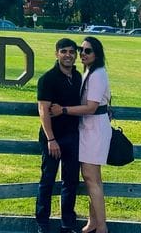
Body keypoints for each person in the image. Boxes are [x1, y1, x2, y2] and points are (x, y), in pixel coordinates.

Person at [50, 36, 111, 233]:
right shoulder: (88, 72)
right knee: (93, 178)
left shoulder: (98, 74)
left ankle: (101, 227)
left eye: (88, 51)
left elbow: (92, 107)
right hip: (88, 129)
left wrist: (63, 110)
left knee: (91, 178)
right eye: (81, 50)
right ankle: (93, 223)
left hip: (95, 130)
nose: (83, 54)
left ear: (97, 54)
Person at [35, 37, 82, 233]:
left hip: (72, 136)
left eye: (71, 52)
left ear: (76, 55)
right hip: (53, 137)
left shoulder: (78, 77)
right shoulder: (47, 79)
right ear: (57, 54)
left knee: (70, 181)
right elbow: (43, 110)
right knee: (47, 180)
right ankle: (42, 223)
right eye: (64, 51)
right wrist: (51, 139)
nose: (68, 55)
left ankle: (67, 223)